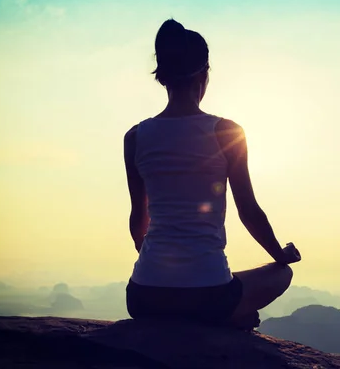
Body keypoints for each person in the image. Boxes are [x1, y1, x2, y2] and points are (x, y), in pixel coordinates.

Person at [124, 19, 301, 330]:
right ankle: (233, 316)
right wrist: (280, 253)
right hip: (207, 297)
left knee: (202, 291)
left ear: (163, 79)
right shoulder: (226, 132)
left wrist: (158, 265)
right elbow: (249, 210)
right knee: (281, 274)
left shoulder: (135, 137)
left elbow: (139, 218)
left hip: (143, 296)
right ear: (204, 75)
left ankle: (227, 314)